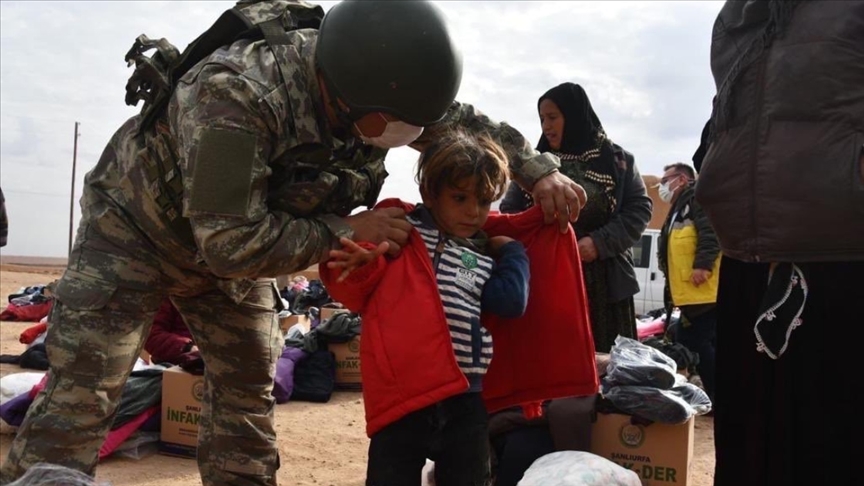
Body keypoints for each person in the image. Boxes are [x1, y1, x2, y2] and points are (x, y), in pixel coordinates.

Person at [0, 1, 586, 484]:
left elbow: (462, 126)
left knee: (247, 388)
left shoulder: (391, 90)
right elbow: (231, 243)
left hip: (244, 242)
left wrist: (539, 172)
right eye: (399, 126)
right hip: (135, 232)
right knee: (82, 393)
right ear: (342, 95)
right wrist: (342, 232)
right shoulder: (237, 96)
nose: (413, 140)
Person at [695, 1, 864, 484]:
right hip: (747, 261)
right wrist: (713, 168)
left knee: (831, 448)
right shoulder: (739, 14)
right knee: (749, 450)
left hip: (844, 260)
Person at [321, 131, 530, 486]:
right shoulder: (401, 230)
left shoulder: (481, 252)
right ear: (430, 193)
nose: (473, 212)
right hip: (404, 395)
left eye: (483, 201)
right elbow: (359, 292)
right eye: (460, 197)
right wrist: (361, 263)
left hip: (465, 396)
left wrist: (513, 252)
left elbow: (511, 303)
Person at [500, 82, 652, 353]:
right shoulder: (534, 166)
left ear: (574, 114)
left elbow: (639, 210)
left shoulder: (617, 160)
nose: (546, 126)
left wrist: (598, 243)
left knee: (606, 368)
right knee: (552, 360)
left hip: (606, 284)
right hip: (548, 277)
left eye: (553, 117)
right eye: (542, 119)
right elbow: (510, 213)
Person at [656, 162, 719, 402]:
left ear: (681, 180)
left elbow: (711, 232)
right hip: (691, 293)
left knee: (693, 341)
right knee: (695, 341)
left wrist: (702, 265)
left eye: (665, 181)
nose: (662, 187)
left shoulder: (696, 200)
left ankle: (715, 394)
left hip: (703, 291)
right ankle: (714, 392)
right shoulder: (679, 207)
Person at [144, 298, 199, 366]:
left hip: (207, 360)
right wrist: (187, 347)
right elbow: (150, 335)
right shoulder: (169, 297)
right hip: (178, 363)